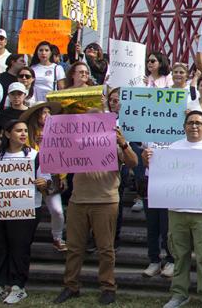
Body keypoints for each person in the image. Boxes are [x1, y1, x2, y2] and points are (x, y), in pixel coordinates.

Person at [148, 111, 202, 308]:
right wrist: (151, 161)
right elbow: (162, 175)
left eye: (198, 123)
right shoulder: (174, 147)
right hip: (177, 210)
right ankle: (179, 294)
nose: (194, 126)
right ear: (184, 126)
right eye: (190, 123)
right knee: (179, 255)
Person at [54, 120, 138, 305]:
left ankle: (108, 287)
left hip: (106, 201)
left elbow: (133, 162)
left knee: (105, 248)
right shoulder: (76, 143)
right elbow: (58, 159)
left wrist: (123, 143)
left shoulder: (116, 143)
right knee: (74, 247)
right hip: (78, 200)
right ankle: (71, 286)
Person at [0, 121, 49, 304]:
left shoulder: (35, 156)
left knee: (19, 248)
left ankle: (18, 287)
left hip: (26, 210)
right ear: (7, 133)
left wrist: (44, 184)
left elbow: (48, 182)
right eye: (19, 130)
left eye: (25, 131)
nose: (23, 134)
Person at [19, 102, 64, 252]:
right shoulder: (26, 134)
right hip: (30, 179)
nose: (48, 116)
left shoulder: (58, 132)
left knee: (57, 211)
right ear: (36, 115)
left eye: (49, 112)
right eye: (44, 112)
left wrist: (63, 176)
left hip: (51, 176)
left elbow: (65, 155)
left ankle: (57, 238)